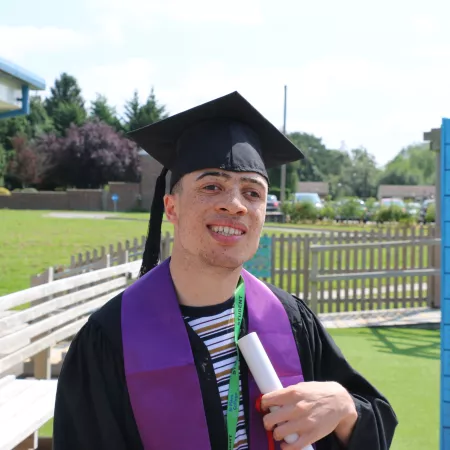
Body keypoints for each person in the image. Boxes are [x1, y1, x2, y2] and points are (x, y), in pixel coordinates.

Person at [53, 92, 397, 450]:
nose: (234, 205)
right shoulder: (110, 340)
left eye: (252, 193)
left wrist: (344, 410)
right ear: (172, 207)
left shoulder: (292, 321)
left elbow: (372, 421)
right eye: (212, 186)